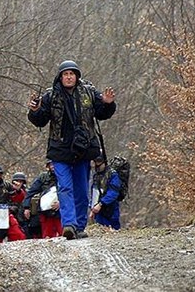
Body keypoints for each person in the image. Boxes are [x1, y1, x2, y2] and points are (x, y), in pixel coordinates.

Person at [27, 60, 116, 240]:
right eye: (65, 74)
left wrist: (107, 103)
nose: (69, 77)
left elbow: (102, 113)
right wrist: (35, 110)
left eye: (72, 74)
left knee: (82, 190)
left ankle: (79, 226)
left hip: (83, 150)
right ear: (60, 77)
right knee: (65, 187)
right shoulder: (50, 96)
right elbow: (40, 120)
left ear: (77, 76)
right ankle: (68, 224)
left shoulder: (89, 92)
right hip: (60, 150)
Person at [23, 159, 62, 238]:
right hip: (46, 213)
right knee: (47, 237)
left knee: (65, 236)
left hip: (62, 213)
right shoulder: (43, 177)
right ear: (48, 166)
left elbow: (72, 193)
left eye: (54, 164)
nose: (53, 167)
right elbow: (30, 192)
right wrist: (26, 207)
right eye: (51, 165)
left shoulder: (65, 177)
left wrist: (62, 203)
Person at [90, 155, 122, 230]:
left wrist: (101, 204)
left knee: (114, 230)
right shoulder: (96, 176)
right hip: (99, 212)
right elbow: (94, 193)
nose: (97, 165)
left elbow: (113, 192)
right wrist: (92, 208)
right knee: (101, 230)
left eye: (99, 162)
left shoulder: (113, 175)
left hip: (111, 209)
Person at [10, 172, 29, 239]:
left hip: (24, 218)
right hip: (13, 218)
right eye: (17, 181)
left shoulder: (27, 192)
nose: (19, 183)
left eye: (20, 181)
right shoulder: (9, 192)